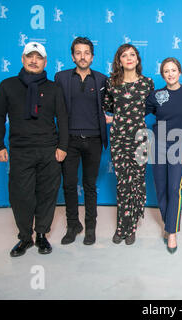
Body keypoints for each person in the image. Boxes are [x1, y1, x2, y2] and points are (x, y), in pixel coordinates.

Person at [0, 42, 68, 257]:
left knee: (47, 194)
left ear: (45, 62)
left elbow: (62, 118)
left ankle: (42, 235)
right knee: (20, 196)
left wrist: (63, 146)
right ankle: (25, 238)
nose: (34, 61)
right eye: (29, 56)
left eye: (38, 57)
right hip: (20, 150)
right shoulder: (7, 86)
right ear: (23, 59)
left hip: (49, 150)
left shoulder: (54, 88)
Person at [54, 37, 108, 246]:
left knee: (90, 185)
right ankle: (73, 225)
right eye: (78, 52)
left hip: (94, 140)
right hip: (69, 140)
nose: (82, 56)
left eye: (86, 52)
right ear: (72, 56)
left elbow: (110, 107)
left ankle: (91, 228)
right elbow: (56, 109)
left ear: (92, 57)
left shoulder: (102, 80)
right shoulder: (61, 78)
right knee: (68, 185)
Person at [103, 44, 154, 245]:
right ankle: (121, 226)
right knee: (123, 182)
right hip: (118, 138)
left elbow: (150, 108)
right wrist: (114, 119)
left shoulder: (147, 83)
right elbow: (107, 107)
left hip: (140, 138)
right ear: (119, 60)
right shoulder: (111, 83)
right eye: (125, 55)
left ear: (138, 59)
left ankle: (131, 227)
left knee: (137, 182)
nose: (129, 58)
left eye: (132, 54)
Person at [145, 57, 182, 254]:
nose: (170, 74)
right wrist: (116, 117)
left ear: (180, 72)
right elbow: (137, 113)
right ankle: (169, 224)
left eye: (173, 70)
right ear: (162, 74)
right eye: (166, 71)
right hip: (157, 145)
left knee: (174, 188)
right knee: (161, 189)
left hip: (177, 145)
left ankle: (172, 232)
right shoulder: (156, 95)